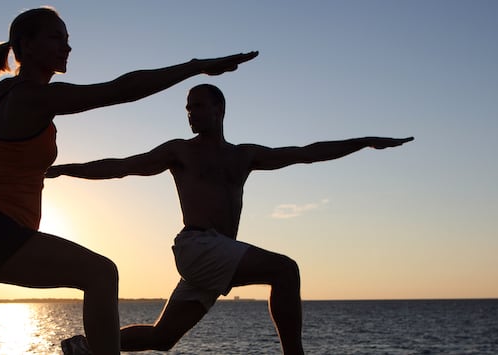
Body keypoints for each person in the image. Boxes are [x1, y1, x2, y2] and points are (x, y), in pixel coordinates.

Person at [0, 6, 257, 354]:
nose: (67, 46)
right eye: (56, 38)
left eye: (67, 39)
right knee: (102, 274)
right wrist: (194, 67)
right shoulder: (35, 97)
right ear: (26, 46)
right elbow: (120, 90)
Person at [46, 84, 413, 355]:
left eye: (198, 106)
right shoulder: (180, 152)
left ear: (219, 109)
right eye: (187, 108)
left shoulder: (242, 156)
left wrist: (364, 141)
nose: (190, 113)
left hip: (217, 253)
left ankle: (85, 347)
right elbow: (122, 166)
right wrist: (65, 169)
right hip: (198, 246)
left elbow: (306, 153)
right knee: (285, 270)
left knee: (162, 338)